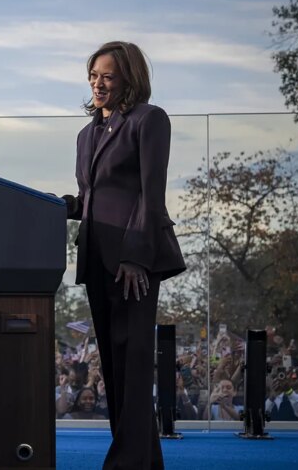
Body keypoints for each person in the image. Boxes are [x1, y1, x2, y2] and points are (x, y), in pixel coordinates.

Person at [62, 41, 185, 470]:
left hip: (133, 263)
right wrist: (61, 206)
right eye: (94, 75)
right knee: (114, 372)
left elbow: (150, 194)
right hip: (95, 257)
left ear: (128, 78)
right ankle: (145, 462)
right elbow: (90, 196)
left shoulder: (149, 120)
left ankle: (125, 464)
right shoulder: (86, 133)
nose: (98, 83)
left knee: (133, 370)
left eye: (108, 76)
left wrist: (135, 257)